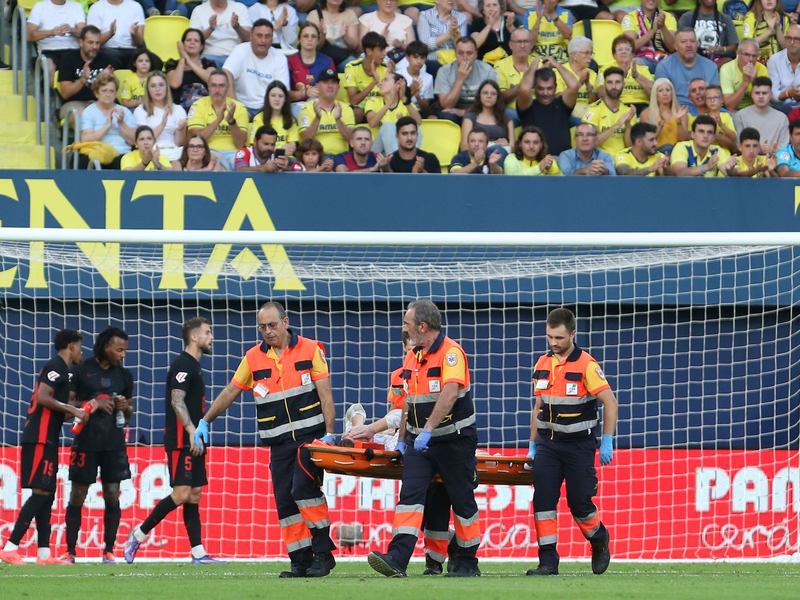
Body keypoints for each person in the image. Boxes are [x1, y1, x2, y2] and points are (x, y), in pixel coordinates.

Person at [194, 301, 338, 578]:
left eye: (272, 325)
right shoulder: (253, 358)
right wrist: (205, 420)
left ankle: (322, 553)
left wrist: (330, 434)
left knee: (303, 492)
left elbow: (326, 395)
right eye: (262, 327)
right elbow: (230, 391)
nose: (268, 331)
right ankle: (300, 561)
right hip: (278, 444)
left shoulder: (311, 349)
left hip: (309, 440)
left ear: (285, 322)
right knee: (285, 502)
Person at [367, 300, 481, 578]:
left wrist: (428, 428)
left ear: (422, 326)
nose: (403, 328)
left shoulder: (451, 353)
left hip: (454, 440)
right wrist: (404, 438)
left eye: (407, 323)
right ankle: (397, 559)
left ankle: (466, 561)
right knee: (410, 498)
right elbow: (408, 399)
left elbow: (450, 393)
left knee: (462, 500)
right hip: (420, 442)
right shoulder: (413, 355)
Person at [124, 319, 226, 565]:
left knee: (194, 494)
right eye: (208, 332)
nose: (212, 337)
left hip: (194, 438)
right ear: (194, 337)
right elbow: (176, 401)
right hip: (182, 439)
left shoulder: (195, 366)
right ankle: (138, 535)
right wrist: (192, 430)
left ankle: (198, 553)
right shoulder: (183, 364)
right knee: (181, 493)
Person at [525, 307, 617, 577]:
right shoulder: (542, 364)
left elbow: (610, 403)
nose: (554, 343)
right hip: (548, 445)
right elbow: (537, 407)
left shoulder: (587, 365)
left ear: (573, 334)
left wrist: (607, 440)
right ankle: (548, 562)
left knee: (579, 504)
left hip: (579, 447)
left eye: (560, 338)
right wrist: (532, 444)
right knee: (542, 500)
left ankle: (598, 537)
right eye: (550, 337)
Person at [0, 330, 87, 566]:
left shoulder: (62, 370)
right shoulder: (56, 365)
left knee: (47, 495)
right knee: (41, 494)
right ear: (70, 346)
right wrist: (75, 410)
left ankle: (44, 554)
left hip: (47, 438)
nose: (81, 351)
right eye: (79, 346)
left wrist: (80, 410)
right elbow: (43, 397)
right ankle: (10, 547)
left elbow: (57, 407)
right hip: (38, 437)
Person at [62, 327, 134, 564]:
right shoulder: (81, 371)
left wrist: (125, 406)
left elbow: (131, 413)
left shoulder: (124, 376)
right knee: (78, 493)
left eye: (125, 350)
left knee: (113, 493)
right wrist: (94, 403)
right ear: (106, 347)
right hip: (86, 442)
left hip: (114, 444)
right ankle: (69, 551)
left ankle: (109, 551)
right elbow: (67, 406)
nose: (123, 354)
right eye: (119, 349)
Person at [223, 19, 291, 117]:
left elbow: (282, 91)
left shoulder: (280, 58)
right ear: (250, 36)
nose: (263, 40)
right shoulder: (240, 50)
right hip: (241, 105)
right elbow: (226, 74)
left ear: (272, 39)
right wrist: (237, 107)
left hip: (267, 109)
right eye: (259, 36)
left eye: (267, 36)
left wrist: (267, 113)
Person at [187, 69, 250, 170]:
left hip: (234, 153)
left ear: (228, 87)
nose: (217, 90)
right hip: (208, 151)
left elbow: (240, 143)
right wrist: (218, 120)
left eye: (221, 86)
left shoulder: (239, 107)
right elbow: (197, 138)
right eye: (213, 85)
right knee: (215, 167)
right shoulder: (198, 105)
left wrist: (231, 121)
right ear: (208, 86)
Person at [517, 57, 579, 155]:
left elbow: (574, 85)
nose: (545, 93)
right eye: (541, 88)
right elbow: (524, 88)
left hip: (563, 160)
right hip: (536, 160)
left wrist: (557, 65)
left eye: (549, 88)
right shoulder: (527, 106)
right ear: (534, 88)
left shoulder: (562, 104)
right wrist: (533, 66)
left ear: (555, 87)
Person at [79, 72, 137, 169]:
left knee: (127, 162)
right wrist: (107, 126)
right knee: (84, 161)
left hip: (121, 153)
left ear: (115, 94)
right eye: (104, 91)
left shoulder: (125, 111)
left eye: (111, 91)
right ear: (96, 93)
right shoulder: (89, 112)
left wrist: (121, 123)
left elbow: (133, 141)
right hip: (98, 153)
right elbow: (85, 139)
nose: (108, 94)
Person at [434, 36, 498, 122]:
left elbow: (491, 103)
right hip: (453, 110)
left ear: (476, 54)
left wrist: (464, 112)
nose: (465, 57)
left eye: (469, 53)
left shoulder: (487, 70)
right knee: (446, 115)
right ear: (455, 54)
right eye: (460, 53)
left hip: (479, 112)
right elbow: (446, 105)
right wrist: (460, 80)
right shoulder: (444, 71)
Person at [57, 25, 115, 120]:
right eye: (90, 43)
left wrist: (105, 80)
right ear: (81, 42)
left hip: (101, 102)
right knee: (80, 114)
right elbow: (65, 93)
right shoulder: (69, 59)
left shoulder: (105, 59)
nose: (94, 47)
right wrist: (83, 80)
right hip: (76, 103)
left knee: (121, 113)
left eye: (97, 43)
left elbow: (112, 90)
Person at [26, 0, 86, 89]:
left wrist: (72, 30)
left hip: (74, 50)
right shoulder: (40, 6)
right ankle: (56, 99)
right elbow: (28, 35)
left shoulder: (76, 6)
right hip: (49, 51)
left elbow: (85, 33)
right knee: (49, 68)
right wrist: (51, 32)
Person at [134, 71, 188, 168]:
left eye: (161, 85)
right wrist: (162, 124)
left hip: (174, 153)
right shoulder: (140, 110)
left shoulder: (178, 109)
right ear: (148, 90)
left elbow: (179, 143)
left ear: (166, 88)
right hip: (151, 152)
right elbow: (143, 139)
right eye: (153, 86)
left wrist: (180, 129)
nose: (157, 89)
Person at [655, 28, 720, 106]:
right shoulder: (664, 67)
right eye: (684, 42)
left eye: (692, 41)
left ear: (697, 44)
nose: (689, 45)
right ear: (676, 46)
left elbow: (716, 98)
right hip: (676, 112)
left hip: (705, 111)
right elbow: (662, 101)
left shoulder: (711, 67)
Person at [298, 68, 356, 155]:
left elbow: (352, 140)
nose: (330, 86)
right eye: (325, 82)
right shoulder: (307, 108)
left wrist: (338, 120)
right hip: (317, 158)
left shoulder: (346, 108)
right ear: (317, 86)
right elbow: (305, 140)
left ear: (338, 87)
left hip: (342, 157)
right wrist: (317, 119)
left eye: (333, 82)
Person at [582, 67, 637, 156]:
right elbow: (591, 142)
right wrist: (616, 126)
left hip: (622, 160)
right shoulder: (594, 109)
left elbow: (630, 147)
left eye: (618, 82)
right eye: (610, 82)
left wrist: (627, 125)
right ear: (604, 85)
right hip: (601, 159)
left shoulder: (628, 111)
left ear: (624, 85)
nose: (613, 86)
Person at [365, 73, 422, 153]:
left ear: (398, 84)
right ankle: (397, 162)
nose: (380, 83)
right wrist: (389, 102)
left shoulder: (407, 104)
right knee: (389, 126)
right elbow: (372, 123)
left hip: (400, 149)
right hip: (377, 151)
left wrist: (404, 99)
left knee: (415, 127)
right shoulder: (373, 101)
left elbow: (418, 122)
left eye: (385, 80)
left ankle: (409, 159)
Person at [287, 23, 336, 115]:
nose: (309, 39)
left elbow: (333, 90)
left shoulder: (327, 61)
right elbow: (285, 94)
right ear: (299, 39)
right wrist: (305, 93)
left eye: (313, 36)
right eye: (305, 36)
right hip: (297, 105)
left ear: (318, 40)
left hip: (321, 104)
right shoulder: (289, 61)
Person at [599, 36, 654, 114]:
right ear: (614, 54)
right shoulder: (605, 69)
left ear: (632, 54)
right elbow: (601, 94)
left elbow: (653, 92)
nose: (623, 52)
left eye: (627, 49)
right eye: (620, 49)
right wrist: (619, 79)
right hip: (617, 106)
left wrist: (637, 76)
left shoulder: (643, 69)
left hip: (642, 107)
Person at [190, 0, 253, 68]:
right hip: (209, 56)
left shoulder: (240, 8)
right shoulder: (198, 11)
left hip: (235, 57)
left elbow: (248, 38)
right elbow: (193, 40)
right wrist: (210, 29)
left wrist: (237, 27)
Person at [166, 29, 217, 111]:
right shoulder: (173, 64)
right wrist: (183, 58)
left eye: (196, 41)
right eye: (188, 40)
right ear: (182, 44)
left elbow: (212, 80)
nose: (192, 42)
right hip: (179, 109)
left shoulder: (208, 64)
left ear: (201, 46)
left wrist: (189, 62)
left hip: (205, 109)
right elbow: (174, 84)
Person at [87, 0, 146, 70]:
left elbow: (139, 42)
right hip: (106, 50)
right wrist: (110, 33)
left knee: (156, 62)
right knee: (111, 58)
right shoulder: (96, 7)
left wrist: (134, 33)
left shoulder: (135, 6)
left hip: (131, 50)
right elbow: (93, 43)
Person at [671, 114, 737, 176]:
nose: (705, 136)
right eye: (701, 131)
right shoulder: (682, 147)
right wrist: (706, 167)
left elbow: (727, 172)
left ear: (713, 137)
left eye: (709, 132)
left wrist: (729, 169)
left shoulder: (717, 150)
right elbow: (679, 172)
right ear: (692, 134)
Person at [620, 0, 677, 72]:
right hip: (641, 59)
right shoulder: (630, 17)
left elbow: (672, 47)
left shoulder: (668, 17)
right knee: (633, 64)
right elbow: (630, 46)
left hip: (665, 60)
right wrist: (653, 31)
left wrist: (663, 27)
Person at [734, 76, 790, 149]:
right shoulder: (740, 116)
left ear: (771, 95)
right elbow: (738, 145)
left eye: (764, 93)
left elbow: (784, 148)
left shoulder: (782, 118)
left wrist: (773, 152)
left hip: (775, 159)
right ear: (752, 95)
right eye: (757, 93)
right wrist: (758, 150)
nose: (761, 96)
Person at [460, 79, 514, 151]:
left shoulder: (507, 118)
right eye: (485, 93)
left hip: (501, 154)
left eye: (493, 94)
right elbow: (464, 147)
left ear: (497, 97)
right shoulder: (470, 117)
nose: (489, 96)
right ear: (479, 96)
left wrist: (506, 143)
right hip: (477, 156)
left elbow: (513, 148)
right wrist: (490, 146)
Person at [306, 0, 361, 70]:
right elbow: (313, 45)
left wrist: (345, 36)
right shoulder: (314, 14)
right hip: (321, 56)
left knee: (355, 67)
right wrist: (322, 35)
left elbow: (354, 45)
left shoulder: (350, 14)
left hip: (342, 57)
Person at [345, 32, 390, 115]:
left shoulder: (386, 68)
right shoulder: (352, 67)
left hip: (378, 107)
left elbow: (391, 98)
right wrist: (374, 82)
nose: (385, 53)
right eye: (381, 50)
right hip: (359, 108)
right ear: (369, 51)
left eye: (385, 49)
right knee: (357, 112)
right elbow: (354, 101)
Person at [639, 78, 689, 152]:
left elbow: (683, 139)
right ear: (655, 94)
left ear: (672, 93)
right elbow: (648, 140)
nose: (665, 93)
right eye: (660, 90)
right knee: (667, 148)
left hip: (677, 153)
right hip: (656, 152)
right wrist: (660, 124)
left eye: (668, 90)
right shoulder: (646, 114)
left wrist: (678, 121)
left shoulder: (681, 113)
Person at [248, 81, 300, 153]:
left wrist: (287, 150)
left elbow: (293, 144)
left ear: (285, 99)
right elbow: (254, 145)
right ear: (268, 98)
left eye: (280, 96)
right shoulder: (259, 118)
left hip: (286, 158)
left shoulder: (290, 120)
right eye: (273, 95)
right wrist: (279, 151)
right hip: (265, 157)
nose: (277, 99)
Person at [553, 37, 597, 120]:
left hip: (589, 117)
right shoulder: (560, 72)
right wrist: (579, 84)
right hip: (566, 115)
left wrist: (588, 85)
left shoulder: (592, 74)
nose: (590, 57)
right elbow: (558, 99)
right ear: (574, 55)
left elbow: (594, 102)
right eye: (586, 53)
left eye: (591, 53)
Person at [494, 27, 534, 116]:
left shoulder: (539, 64)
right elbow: (500, 98)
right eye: (518, 42)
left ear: (531, 45)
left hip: (536, 111)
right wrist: (523, 85)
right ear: (510, 45)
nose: (522, 45)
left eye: (526, 41)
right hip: (512, 113)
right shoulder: (500, 66)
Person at [721, 38, 770, 111]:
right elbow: (729, 105)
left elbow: (764, 103)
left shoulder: (762, 69)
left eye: (754, 56)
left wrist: (755, 82)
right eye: (747, 55)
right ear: (737, 53)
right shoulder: (726, 69)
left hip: (755, 109)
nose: (750, 59)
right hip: (734, 110)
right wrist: (745, 82)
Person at [417, 0, 469, 68]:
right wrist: (449, 34)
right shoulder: (425, 15)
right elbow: (425, 45)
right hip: (434, 59)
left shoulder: (461, 17)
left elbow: (462, 47)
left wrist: (456, 32)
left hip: (455, 59)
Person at [524, 0, 573, 64]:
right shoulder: (530, 13)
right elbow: (531, 43)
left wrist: (553, 14)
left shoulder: (566, 13)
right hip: (536, 58)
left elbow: (567, 35)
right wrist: (539, 19)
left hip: (560, 58)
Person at [693, 83, 738, 150]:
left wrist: (721, 125)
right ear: (705, 101)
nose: (712, 101)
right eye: (709, 98)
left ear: (722, 100)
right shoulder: (703, 117)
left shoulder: (726, 116)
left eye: (715, 97)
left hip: (724, 152)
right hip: (707, 151)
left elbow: (734, 137)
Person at [395, 40, 435, 114]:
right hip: (402, 112)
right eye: (415, 57)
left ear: (426, 59)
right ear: (407, 57)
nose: (419, 61)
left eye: (422, 58)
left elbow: (426, 108)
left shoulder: (428, 78)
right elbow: (395, 103)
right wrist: (411, 92)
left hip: (420, 113)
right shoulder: (398, 75)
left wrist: (417, 96)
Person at [767, 23, 800, 113]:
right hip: (781, 108)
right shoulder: (774, 60)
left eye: (796, 39)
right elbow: (772, 94)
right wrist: (788, 94)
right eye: (788, 38)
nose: (792, 42)